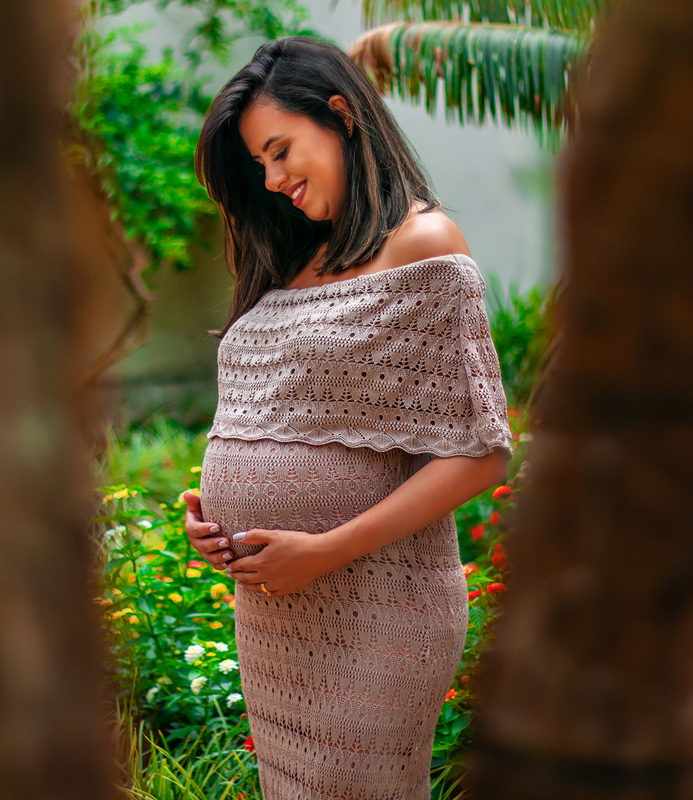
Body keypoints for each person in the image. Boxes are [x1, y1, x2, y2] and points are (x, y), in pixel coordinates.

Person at [182, 36, 513, 800]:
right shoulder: (295, 258)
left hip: (379, 609)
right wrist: (215, 521)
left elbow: (483, 452)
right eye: (259, 166)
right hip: (275, 617)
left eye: (280, 150)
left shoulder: (422, 245)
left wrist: (326, 549)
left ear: (340, 116)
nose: (272, 179)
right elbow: (278, 414)